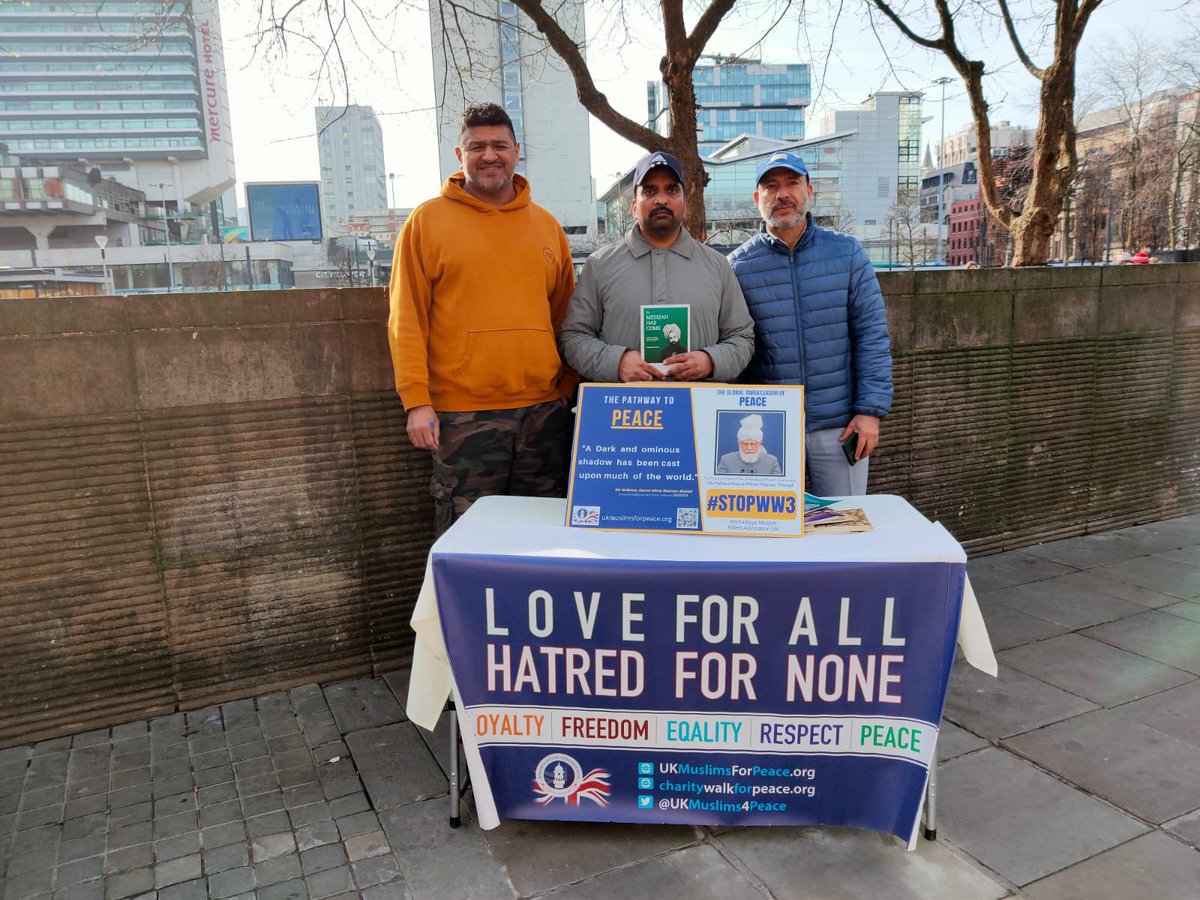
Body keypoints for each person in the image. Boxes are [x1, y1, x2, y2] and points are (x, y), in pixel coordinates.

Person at [388, 103, 575, 536]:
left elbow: (568, 316)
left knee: (543, 541)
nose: (489, 155)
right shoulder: (426, 222)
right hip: (462, 418)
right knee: (469, 543)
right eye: (477, 146)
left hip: (543, 416)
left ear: (517, 151)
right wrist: (416, 401)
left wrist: (565, 388)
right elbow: (406, 318)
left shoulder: (547, 227)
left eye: (499, 145)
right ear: (460, 154)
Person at [728, 151, 893, 497]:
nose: (782, 194)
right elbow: (733, 349)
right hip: (768, 430)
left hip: (840, 426)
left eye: (792, 183)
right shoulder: (736, 267)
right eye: (771, 187)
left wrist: (870, 411)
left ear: (809, 191)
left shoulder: (847, 254)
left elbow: (872, 336)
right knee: (766, 533)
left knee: (843, 531)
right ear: (758, 199)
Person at [560, 152, 754, 383]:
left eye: (671, 190)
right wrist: (616, 362)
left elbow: (742, 338)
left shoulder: (717, 266)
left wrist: (711, 360)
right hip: (626, 412)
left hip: (697, 411)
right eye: (650, 191)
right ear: (633, 206)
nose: (661, 199)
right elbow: (572, 338)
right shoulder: (600, 265)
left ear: (685, 202)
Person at [716, 414, 782, 475]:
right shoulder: (726, 460)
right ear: (739, 444)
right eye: (745, 444)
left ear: (759, 444)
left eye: (753, 444)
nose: (749, 448)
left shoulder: (772, 462)